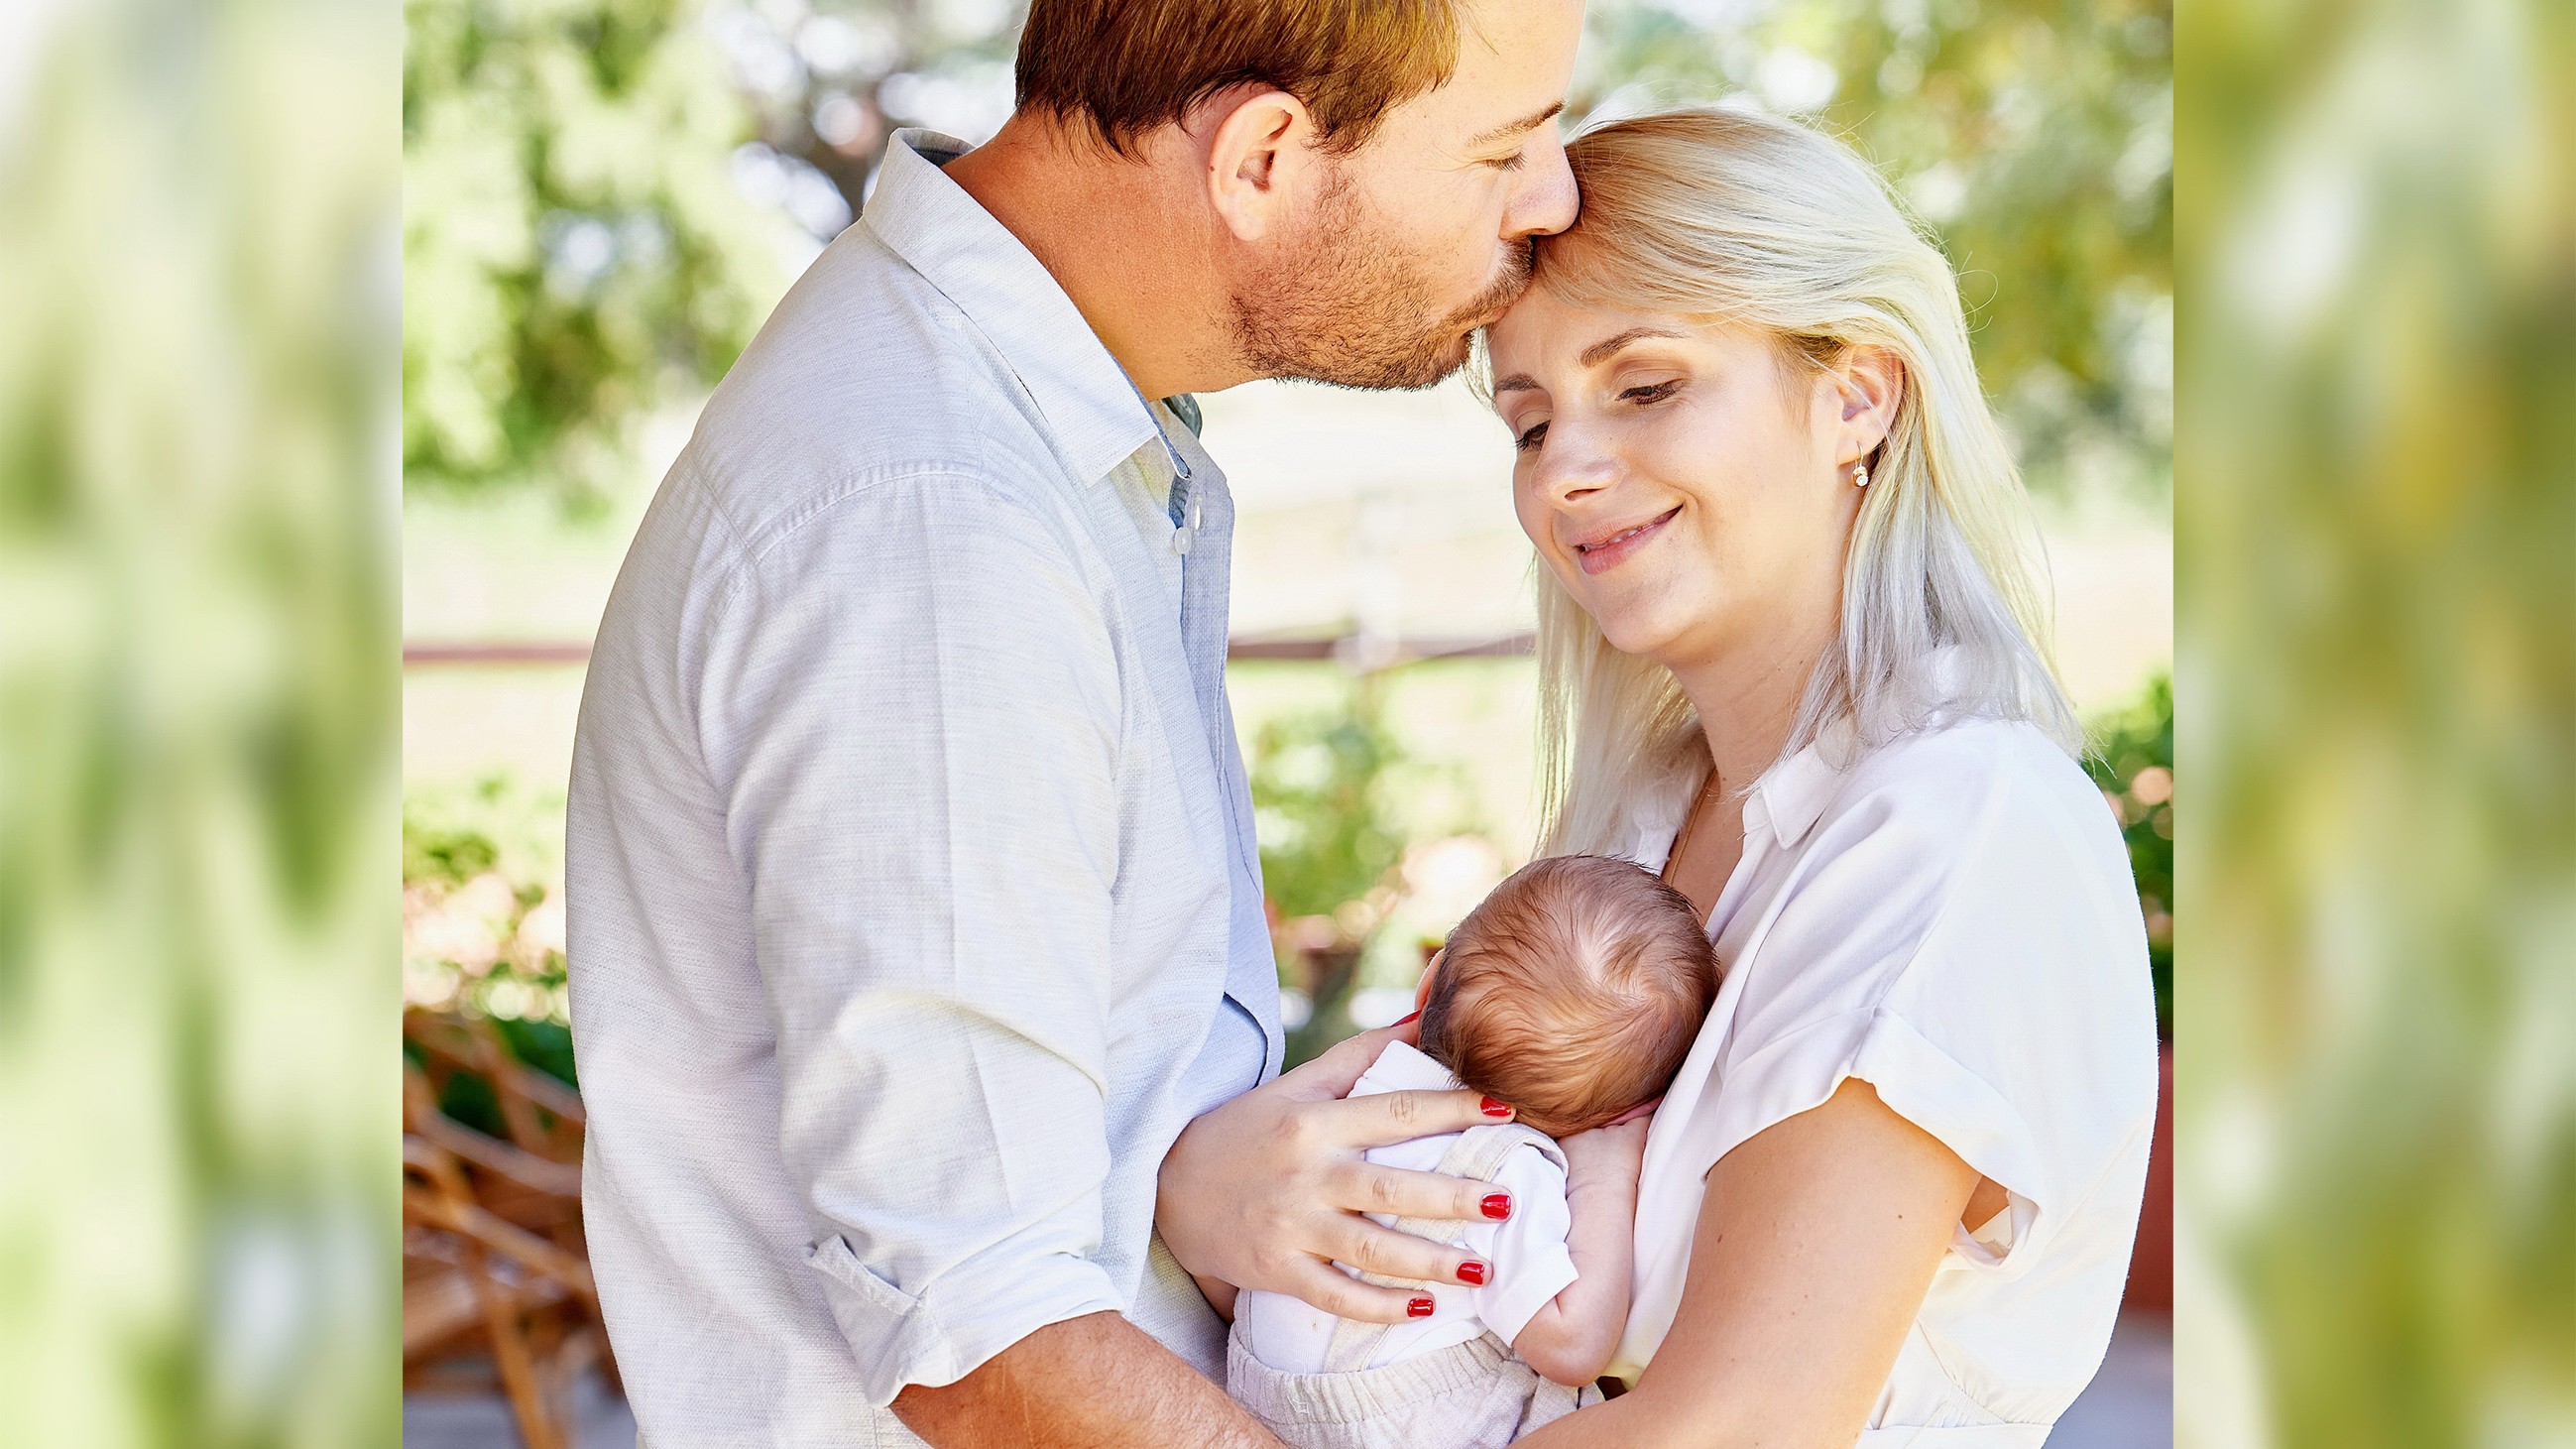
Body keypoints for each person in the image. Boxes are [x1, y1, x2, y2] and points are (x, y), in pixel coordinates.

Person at [563, 1, 1583, 1445]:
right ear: (1263, 158)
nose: (1552, 195)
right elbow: (983, 1332)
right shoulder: (935, 518)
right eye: (1503, 147)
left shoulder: (1029, 434)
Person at [1482, 107, 2160, 1445]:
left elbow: (1727, 1427)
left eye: (1644, 384)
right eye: (1526, 421)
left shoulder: (1957, 828)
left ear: (1853, 395)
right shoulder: (1639, 823)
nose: (1564, 466)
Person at [1228, 856, 1715, 1448]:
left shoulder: (1344, 1101)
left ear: (1428, 983)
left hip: (1248, 1398)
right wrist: (1606, 1175)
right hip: (1398, 1426)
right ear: (1619, 1116)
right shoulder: (1506, 1171)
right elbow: (1571, 1345)